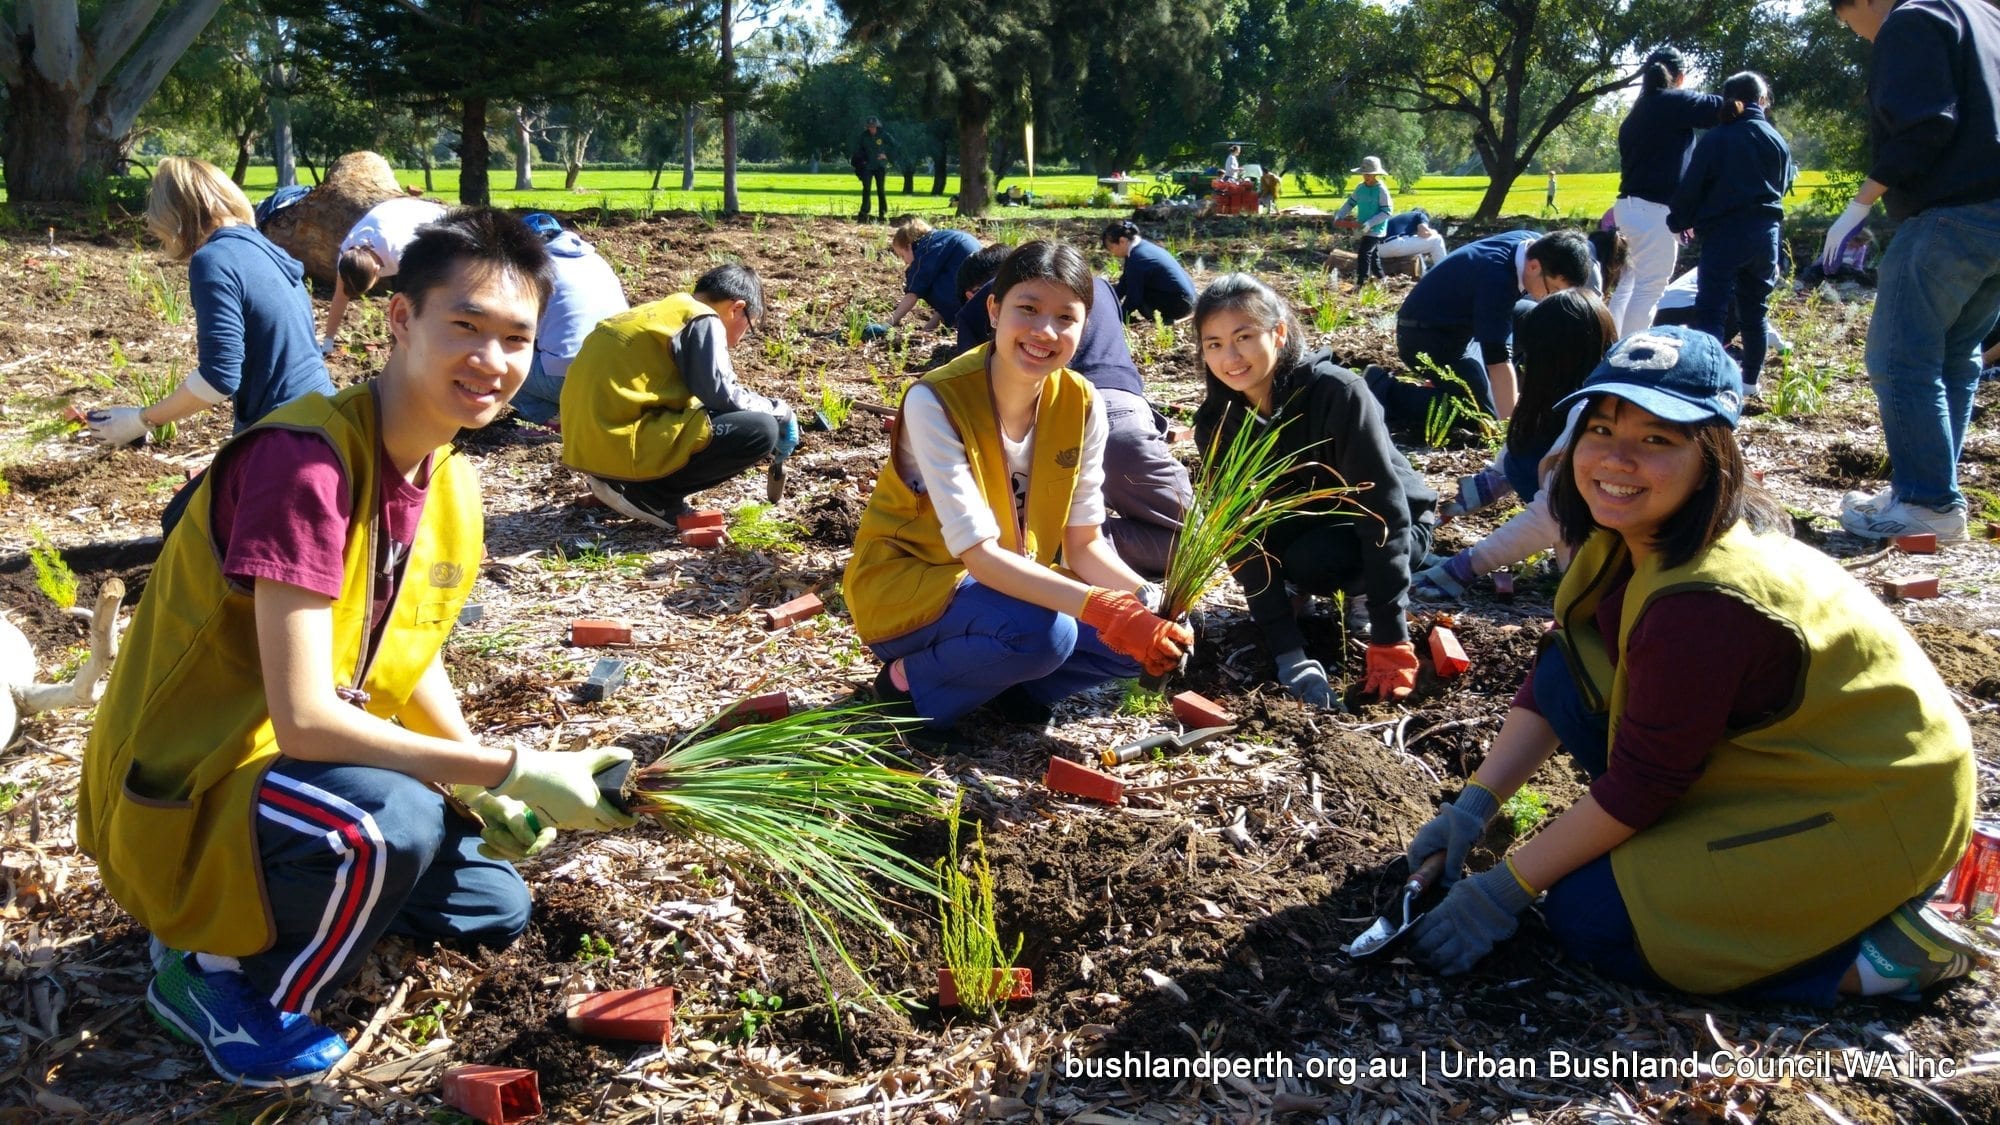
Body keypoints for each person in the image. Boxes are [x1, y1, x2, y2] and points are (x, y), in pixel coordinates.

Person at [78, 209, 637, 1089]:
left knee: (494, 904)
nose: (491, 361)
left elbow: (409, 647)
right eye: (465, 326)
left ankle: (310, 886)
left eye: (515, 339)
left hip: (287, 776)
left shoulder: (449, 477)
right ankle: (210, 972)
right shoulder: (309, 465)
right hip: (191, 782)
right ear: (401, 320)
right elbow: (303, 720)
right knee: (387, 824)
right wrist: (510, 766)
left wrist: (470, 782)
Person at [1403, 326, 1977, 1004]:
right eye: (1601, 429)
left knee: (1592, 917)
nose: (1616, 459)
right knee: (1568, 674)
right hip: (1783, 759)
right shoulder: (1635, 534)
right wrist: (1476, 803)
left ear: (1712, 456)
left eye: (1656, 439)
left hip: (1873, 807)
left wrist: (1502, 889)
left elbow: (1644, 782)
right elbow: (1567, 667)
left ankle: (1882, 956)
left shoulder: (1704, 601)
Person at [844, 241, 1193, 740]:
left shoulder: (1081, 402)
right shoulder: (935, 400)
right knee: (1047, 631)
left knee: (1129, 635)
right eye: (1027, 309)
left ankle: (1014, 692)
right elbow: (981, 558)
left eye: (1065, 318)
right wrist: (1102, 607)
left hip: (1006, 587)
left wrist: (1147, 602)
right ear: (993, 310)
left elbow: (1084, 544)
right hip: (913, 588)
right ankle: (903, 689)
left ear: (1084, 326)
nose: (1044, 332)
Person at [1192, 274, 1436, 712]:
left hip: (1392, 524)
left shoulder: (1337, 393)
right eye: (1213, 343)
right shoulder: (1218, 420)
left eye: (1244, 337)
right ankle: (1296, 601)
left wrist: (1390, 635)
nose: (1230, 357)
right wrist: (1288, 652)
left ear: (1279, 333)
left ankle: (1365, 595)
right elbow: (1236, 532)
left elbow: (1385, 512)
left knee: (1318, 562)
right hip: (1314, 518)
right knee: (1277, 548)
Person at [1825, 0, 2000, 542]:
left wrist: (1859, 206)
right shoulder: (1986, 15)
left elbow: (1926, 126)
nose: (1864, 38)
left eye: (1852, 25)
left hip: (1951, 215)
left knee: (1899, 357)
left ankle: (1928, 503)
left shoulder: (1911, 18)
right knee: (1954, 355)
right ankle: (1922, 488)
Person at [86, 157, 334, 534]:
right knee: (188, 517)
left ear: (175, 214)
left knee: (185, 527)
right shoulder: (265, 250)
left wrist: (140, 420)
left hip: (284, 439)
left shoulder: (213, 259)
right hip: (323, 424)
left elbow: (219, 379)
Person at [952, 244, 1193, 577]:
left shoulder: (987, 303)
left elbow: (971, 395)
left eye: (1064, 318)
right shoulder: (1097, 287)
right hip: (1125, 415)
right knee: (1197, 545)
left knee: (1036, 532)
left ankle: (1059, 548)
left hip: (1055, 425)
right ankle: (1074, 548)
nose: (1045, 328)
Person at [1413, 291, 1618, 598]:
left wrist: (1461, 569)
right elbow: (1510, 463)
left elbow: (1552, 516)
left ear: (1547, 356)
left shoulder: (1591, 418)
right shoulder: (1551, 405)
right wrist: (1447, 508)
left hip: (1603, 578)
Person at [560, 264, 796, 527]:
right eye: (748, 326)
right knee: (760, 430)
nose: (739, 340)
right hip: (618, 443)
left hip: (589, 446)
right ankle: (651, 496)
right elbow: (723, 396)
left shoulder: (662, 312)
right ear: (737, 308)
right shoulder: (703, 318)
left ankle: (617, 483)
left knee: (712, 415)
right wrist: (779, 411)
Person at [1668, 72, 1797, 392]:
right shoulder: (1777, 139)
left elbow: (1692, 186)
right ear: (1762, 101)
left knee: (1712, 308)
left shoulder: (1717, 138)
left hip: (1725, 234)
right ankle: (1751, 382)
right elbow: (1784, 186)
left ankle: (1708, 382)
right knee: (1755, 309)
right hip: (1766, 234)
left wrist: (1679, 220)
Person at [1383, 229, 1594, 423]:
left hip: (1466, 324)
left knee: (1540, 317)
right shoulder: (1498, 280)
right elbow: (1498, 361)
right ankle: (1384, 390)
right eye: (1553, 289)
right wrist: (1510, 428)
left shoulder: (1535, 245)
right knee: (1480, 416)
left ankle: (1484, 384)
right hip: (1428, 338)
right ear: (1533, 266)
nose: (1551, 298)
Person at [1606, 48, 1726, 338]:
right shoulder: (1673, 101)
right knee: (1649, 289)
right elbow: (1720, 108)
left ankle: (1607, 348)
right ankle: (1627, 359)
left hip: (1627, 209)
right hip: (1654, 213)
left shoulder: (1636, 114)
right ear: (1680, 77)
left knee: (1628, 285)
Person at [508, 212, 630, 425]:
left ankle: (553, 418)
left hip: (569, 379)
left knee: (504, 360)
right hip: (619, 375)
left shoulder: (535, 270)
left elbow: (514, 326)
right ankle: (576, 410)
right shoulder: (594, 260)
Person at [322, 195, 449, 346]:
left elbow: (419, 292)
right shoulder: (349, 258)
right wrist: (327, 343)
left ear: (377, 270)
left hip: (433, 220)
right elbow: (340, 297)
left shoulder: (399, 252)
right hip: (388, 217)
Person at [888, 218, 981, 334]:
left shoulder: (926, 249)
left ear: (908, 247)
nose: (905, 262)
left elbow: (913, 293)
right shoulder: (940, 239)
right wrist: (926, 330)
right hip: (978, 296)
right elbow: (949, 298)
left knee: (921, 283)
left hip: (971, 291)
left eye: (902, 256)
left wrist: (889, 323)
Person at [1101, 220, 1198, 325]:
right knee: (1135, 286)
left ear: (1122, 241)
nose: (1112, 253)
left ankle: (1164, 321)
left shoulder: (1137, 260)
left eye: (1111, 248)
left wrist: (1118, 317)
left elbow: (1134, 298)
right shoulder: (1141, 248)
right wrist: (1108, 302)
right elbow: (1124, 282)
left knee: (1138, 293)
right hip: (1189, 299)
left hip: (1179, 305)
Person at [1333, 157, 1394, 285]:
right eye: (1364, 173)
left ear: (1376, 174)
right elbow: (1350, 203)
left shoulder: (1381, 189)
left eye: (1370, 174)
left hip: (1376, 228)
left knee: (1364, 253)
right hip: (1362, 227)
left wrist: (1370, 223)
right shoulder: (1360, 188)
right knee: (1373, 255)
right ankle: (1382, 279)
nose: (1366, 176)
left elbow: (1387, 212)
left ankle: (1361, 283)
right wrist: (1340, 215)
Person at [1376, 209, 1448, 273]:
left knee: (1415, 246)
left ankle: (1424, 273)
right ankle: (1444, 274)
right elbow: (1424, 232)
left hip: (1380, 250)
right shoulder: (1420, 214)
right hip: (1394, 244)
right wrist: (1434, 232)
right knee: (1437, 239)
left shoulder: (1401, 218)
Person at [852, 116, 893, 221]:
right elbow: (858, 150)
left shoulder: (884, 135)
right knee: (866, 189)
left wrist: (886, 155)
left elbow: (895, 146)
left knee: (880, 190)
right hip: (867, 167)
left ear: (877, 126)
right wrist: (861, 161)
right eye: (870, 127)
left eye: (873, 126)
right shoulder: (863, 136)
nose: (871, 129)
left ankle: (882, 214)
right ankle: (864, 213)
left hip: (880, 166)